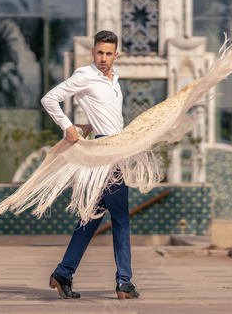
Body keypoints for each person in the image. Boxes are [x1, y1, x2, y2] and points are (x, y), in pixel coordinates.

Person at [41, 30, 139, 300]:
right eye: (99, 52)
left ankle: (63, 273)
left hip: (115, 150)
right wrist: (68, 126)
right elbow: (49, 99)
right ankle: (124, 281)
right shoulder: (85, 75)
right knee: (120, 218)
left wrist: (87, 125)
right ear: (93, 52)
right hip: (106, 154)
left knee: (91, 218)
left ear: (116, 54)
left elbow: (106, 117)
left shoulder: (115, 80)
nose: (103, 58)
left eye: (109, 53)